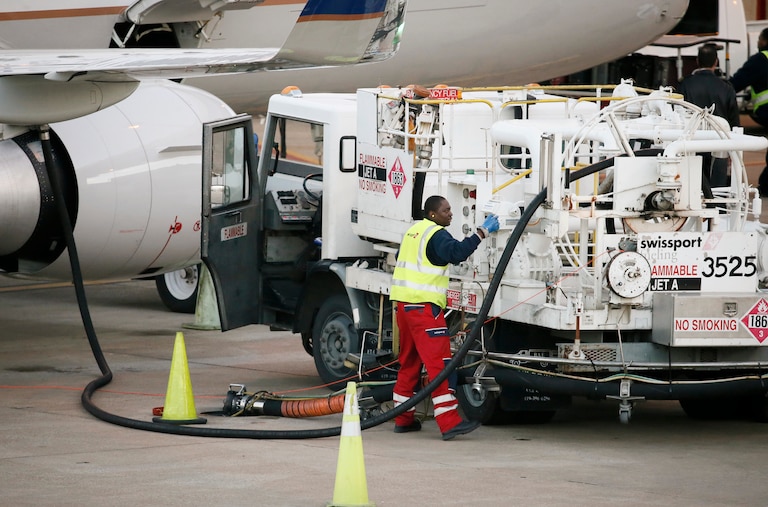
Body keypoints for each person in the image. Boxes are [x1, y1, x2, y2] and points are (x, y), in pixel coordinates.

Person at [389, 195, 499, 441]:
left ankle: (402, 418)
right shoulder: (436, 234)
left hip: (404, 307)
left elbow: (401, 259)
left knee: (409, 363)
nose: (450, 214)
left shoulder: (413, 231)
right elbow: (457, 253)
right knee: (440, 365)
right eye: (446, 210)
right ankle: (449, 422)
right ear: (432, 214)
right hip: (424, 310)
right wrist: (482, 232)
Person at [678, 43, 740, 188]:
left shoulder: (685, 84)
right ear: (716, 62)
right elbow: (734, 120)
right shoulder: (726, 86)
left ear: (698, 62)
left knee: (692, 184)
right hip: (719, 142)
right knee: (717, 187)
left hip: (693, 143)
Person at [730, 28, 768, 194]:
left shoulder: (760, 60)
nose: (758, 42)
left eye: (759, 39)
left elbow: (736, 83)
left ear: (765, 41)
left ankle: (767, 187)